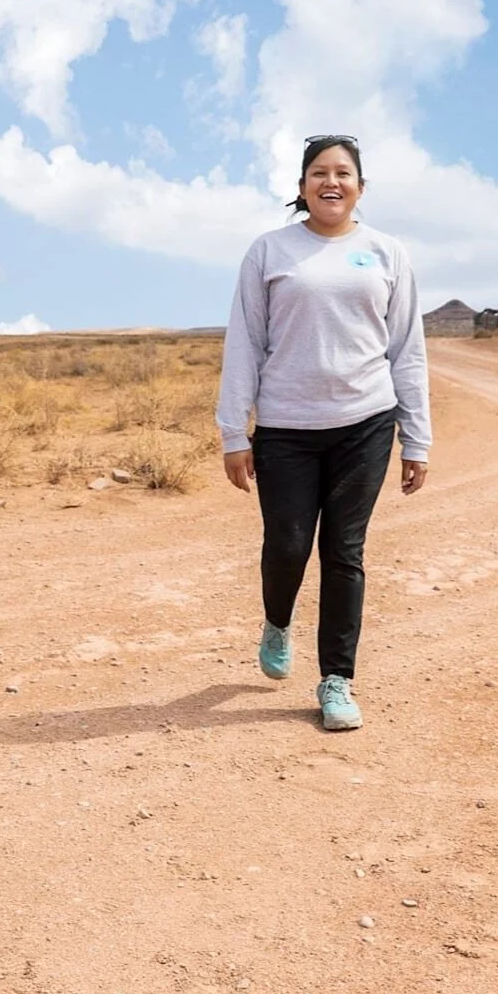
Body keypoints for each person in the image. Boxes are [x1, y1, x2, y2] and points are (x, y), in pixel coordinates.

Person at [216, 134, 431, 731]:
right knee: (287, 545)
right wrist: (235, 431)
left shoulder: (387, 253)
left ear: (361, 186)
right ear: (302, 185)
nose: (330, 182)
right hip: (285, 427)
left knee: (345, 552)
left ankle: (337, 679)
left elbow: (406, 349)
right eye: (318, 172)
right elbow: (244, 344)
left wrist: (417, 437)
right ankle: (277, 622)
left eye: (343, 173)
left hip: (365, 424)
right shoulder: (269, 251)